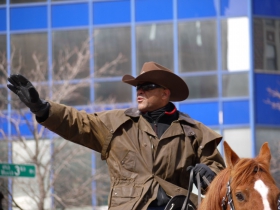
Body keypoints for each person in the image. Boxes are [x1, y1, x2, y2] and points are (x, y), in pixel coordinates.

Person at [7, 61, 225, 210]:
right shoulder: (115, 123)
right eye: (138, 87)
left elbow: (221, 181)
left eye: (147, 86)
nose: (139, 91)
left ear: (165, 93)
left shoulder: (193, 132)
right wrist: (41, 108)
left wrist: (210, 173)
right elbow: (75, 122)